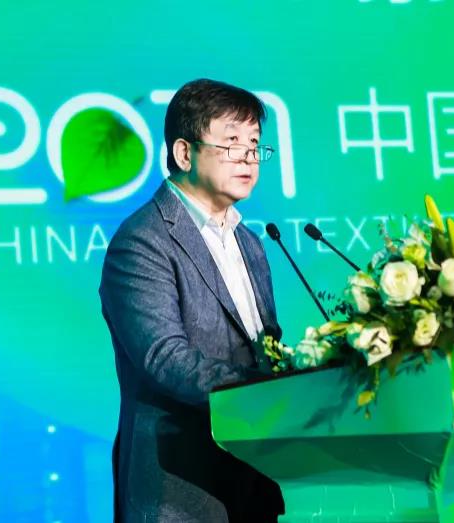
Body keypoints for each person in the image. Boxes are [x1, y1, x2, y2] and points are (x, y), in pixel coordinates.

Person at [99, 78, 285, 522]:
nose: (248, 157)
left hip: (254, 481)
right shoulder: (142, 241)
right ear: (185, 153)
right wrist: (266, 391)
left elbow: (266, 350)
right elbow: (165, 358)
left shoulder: (250, 243)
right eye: (232, 142)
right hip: (181, 489)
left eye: (254, 144)